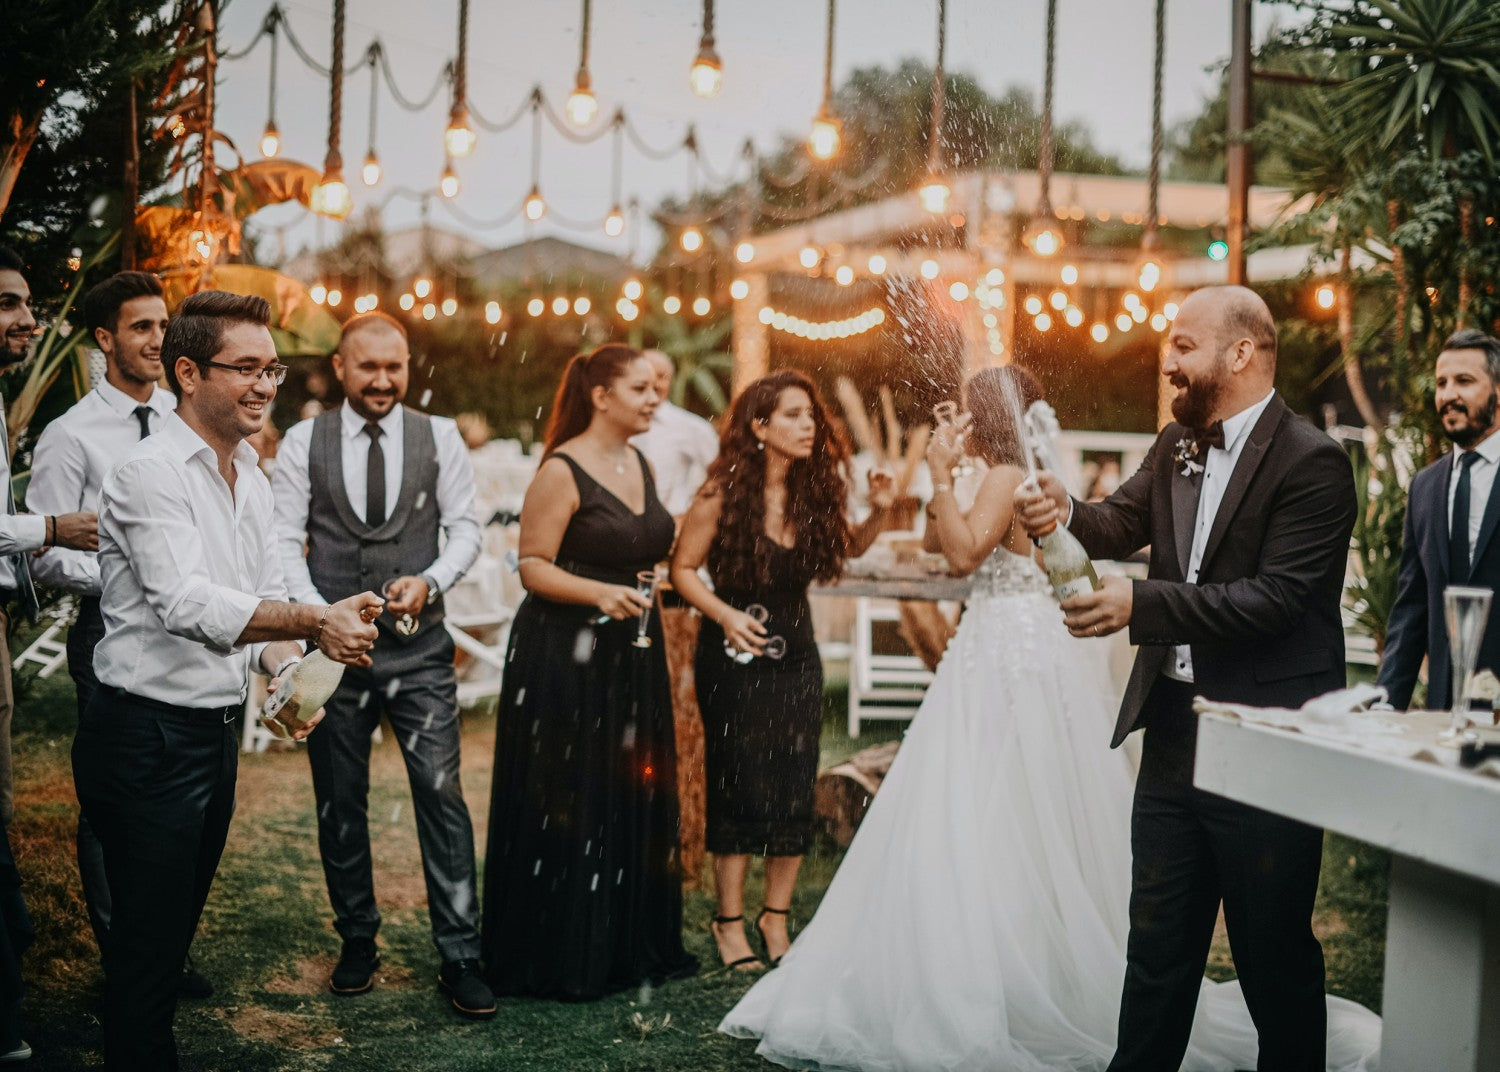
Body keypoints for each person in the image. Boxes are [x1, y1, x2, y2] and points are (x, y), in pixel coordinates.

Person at [722, 361, 1380, 1072]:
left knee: (1001, 807)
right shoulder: (1009, 475)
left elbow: (966, 550)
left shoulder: (1004, 474)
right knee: (985, 805)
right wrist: (939, 485)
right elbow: (955, 558)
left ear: (987, 419)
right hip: (993, 644)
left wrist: (940, 477)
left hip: (1012, 650)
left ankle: (1013, 971)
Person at [1015, 285, 1367, 1071]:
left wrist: (1138, 603)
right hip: (1175, 733)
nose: (1166, 361)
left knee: (1271, 952)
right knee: (1158, 947)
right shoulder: (1175, 444)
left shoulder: (1314, 461)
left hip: (1267, 737)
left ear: (1240, 353)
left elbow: (1274, 600)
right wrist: (1061, 510)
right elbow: (1116, 522)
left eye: (1182, 345)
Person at [71, 290, 380, 1072]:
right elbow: (188, 604)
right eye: (245, 368)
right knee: (145, 958)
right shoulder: (147, 473)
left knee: (170, 943)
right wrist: (314, 625)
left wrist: (289, 677)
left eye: (271, 368)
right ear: (187, 371)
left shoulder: (252, 470)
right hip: (142, 736)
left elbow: (269, 579)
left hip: (209, 737)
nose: (265, 385)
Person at [270, 311, 492, 1018]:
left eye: (394, 367)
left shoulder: (442, 436)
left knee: (439, 792)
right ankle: (357, 939)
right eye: (368, 367)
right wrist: (319, 619)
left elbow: (466, 529)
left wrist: (430, 581)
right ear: (341, 367)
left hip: (421, 652)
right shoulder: (304, 441)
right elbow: (281, 541)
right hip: (334, 661)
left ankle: (460, 954)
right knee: (340, 801)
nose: (384, 381)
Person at [481, 343, 697, 1000]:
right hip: (564, 654)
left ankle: (623, 944)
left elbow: (649, 546)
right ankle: (561, 948)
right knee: (572, 795)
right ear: (600, 396)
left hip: (632, 648)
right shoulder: (561, 469)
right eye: (641, 388)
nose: (655, 397)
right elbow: (533, 564)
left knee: (629, 787)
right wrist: (598, 593)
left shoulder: (640, 462)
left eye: (657, 387)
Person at [672, 370, 892, 972]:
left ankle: (775, 919)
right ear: (759, 426)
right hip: (734, 660)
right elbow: (683, 570)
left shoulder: (814, 492)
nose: (808, 426)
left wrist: (878, 510)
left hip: (798, 657)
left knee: (793, 784)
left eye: (810, 416)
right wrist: (723, 617)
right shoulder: (721, 493)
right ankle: (729, 923)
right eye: (793, 415)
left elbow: (843, 555)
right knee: (738, 783)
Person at [27, 271, 199, 990]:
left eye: (164, 325)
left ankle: (164, 948)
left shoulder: (186, 417)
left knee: (181, 794)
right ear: (105, 340)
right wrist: (134, 577)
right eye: (141, 327)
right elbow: (42, 551)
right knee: (111, 798)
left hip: (190, 626)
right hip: (107, 630)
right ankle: (124, 953)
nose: (159, 339)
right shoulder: (69, 435)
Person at [0, 247, 99, 1064]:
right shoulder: (74, 434)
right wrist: (52, 529)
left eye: (27, 305)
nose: (29, 321)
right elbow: (39, 537)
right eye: (9, 304)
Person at [1380, 329, 1500, 709]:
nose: (1448, 394)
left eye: (1464, 381)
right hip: (1444, 713)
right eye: (1441, 383)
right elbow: (1412, 608)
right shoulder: (1424, 487)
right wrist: (1383, 706)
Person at [631, 349, 719, 517]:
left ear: (671, 380)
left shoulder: (691, 426)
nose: (654, 383)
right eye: (647, 376)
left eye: (661, 376)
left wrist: (692, 515)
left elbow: (720, 475)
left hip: (670, 524)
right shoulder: (619, 422)